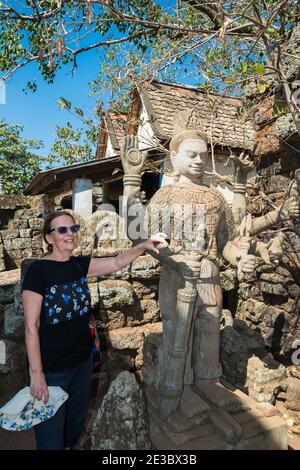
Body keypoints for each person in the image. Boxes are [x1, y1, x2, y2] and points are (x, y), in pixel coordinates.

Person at [121, 129, 300, 419]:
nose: (199, 161)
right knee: (180, 334)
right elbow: (139, 236)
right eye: (191, 155)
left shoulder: (215, 198)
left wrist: (240, 258)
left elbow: (227, 243)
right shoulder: (165, 196)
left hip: (209, 273)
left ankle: (209, 381)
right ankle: (184, 388)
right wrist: (131, 180)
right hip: (177, 274)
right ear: (174, 158)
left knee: (209, 329)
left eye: (203, 155)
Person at [21, 210, 166, 450]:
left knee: (73, 427)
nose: (70, 234)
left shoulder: (79, 265)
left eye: (73, 228)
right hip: (52, 368)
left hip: (82, 362)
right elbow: (31, 326)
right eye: (62, 230)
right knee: (50, 432)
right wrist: (36, 373)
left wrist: (142, 245)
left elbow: (117, 262)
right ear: (48, 238)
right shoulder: (38, 271)